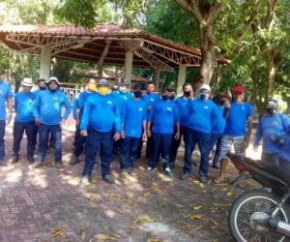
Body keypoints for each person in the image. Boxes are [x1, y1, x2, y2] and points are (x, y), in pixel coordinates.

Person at [80, 79, 121, 184]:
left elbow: (117, 116)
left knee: (107, 154)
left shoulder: (113, 100)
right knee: (91, 153)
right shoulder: (91, 98)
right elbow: (86, 113)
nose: (103, 87)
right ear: (98, 87)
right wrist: (83, 127)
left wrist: (118, 130)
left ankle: (106, 174)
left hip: (108, 132)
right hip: (94, 131)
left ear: (108, 87)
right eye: (101, 86)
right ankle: (86, 174)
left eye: (105, 86)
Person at [214, 84, 253, 183]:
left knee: (240, 158)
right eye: (236, 93)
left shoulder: (247, 106)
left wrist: (247, 138)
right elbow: (224, 118)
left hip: (241, 136)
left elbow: (250, 122)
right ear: (233, 94)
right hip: (227, 134)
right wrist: (227, 109)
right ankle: (221, 175)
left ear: (243, 94)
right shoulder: (228, 104)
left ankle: (241, 179)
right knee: (224, 155)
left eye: (240, 93)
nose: (237, 95)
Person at [181, 84, 218, 182]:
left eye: (206, 92)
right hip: (190, 131)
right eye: (202, 91)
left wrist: (211, 130)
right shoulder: (192, 102)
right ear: (199, 92)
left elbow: (215, 119)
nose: (204, 93)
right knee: (188, 151)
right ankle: (186, 171)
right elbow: (186, 113)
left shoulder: (212, 105)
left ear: (209, 94)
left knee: (204, 153)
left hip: (205, 132)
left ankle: (203, 174)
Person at [32, 76, 72, 169]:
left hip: (56, 125)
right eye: (51, 83)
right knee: (42, 143)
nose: (53, 85)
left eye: (55, 84)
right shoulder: (41, 94)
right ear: (48, 85)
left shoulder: (61, 95)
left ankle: (58, 161)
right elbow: (34, 106)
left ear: (57, 85)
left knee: (57, 144)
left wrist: (64, 118)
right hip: (43, 124)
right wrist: (36, 116)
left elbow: (69, 107)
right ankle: (39, 160)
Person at [147, 88, 180, 176]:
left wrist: (178, 131)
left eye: (168, 93)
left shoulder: (174, 105)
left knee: (166, 150)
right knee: (154, 149)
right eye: (165, 92)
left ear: (170, 94)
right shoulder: (156, 104)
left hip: (168, 132)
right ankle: (151, 165)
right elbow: (150, 117)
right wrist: (147, 129)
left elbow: (177, 120)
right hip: (155, 131)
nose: (167, 94)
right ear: (162, 93)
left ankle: (166, 167)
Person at [253, 99, 290, 170]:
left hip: (277, 153)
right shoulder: (263, 119)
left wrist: (277, 136)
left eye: (273, 105)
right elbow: (259, 133)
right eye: (269, 105)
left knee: (276, 174)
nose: (271, 107)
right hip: (265, 151)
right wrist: (255, 143)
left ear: (277, 106)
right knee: (264, 171)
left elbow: (288, 133)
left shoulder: (283, 118)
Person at [119, 83, 147, 177]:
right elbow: (122, 117)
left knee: (134, 151)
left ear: (142, 92)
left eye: (140, 89)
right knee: (124, 150)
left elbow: (144, 119)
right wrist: (121, 130)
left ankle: (131, 167)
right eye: (136, 89)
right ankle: (123, 168)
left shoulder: (143, 104)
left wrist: (145, 132)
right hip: (126, 132)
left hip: (138, 133)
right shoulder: (127, 102)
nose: (138, 91)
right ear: (133, 90)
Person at [70, 78, 96, 165]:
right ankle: (76, 155)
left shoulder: (97, 94)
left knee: (92, 140)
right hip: (83, 120)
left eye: (94, 83)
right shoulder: (82, 94)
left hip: (93, 122)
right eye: (91, 83)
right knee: (80, 139)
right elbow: (81, 105)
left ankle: (90, 157)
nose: (92, 85)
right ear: (87, 84)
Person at [12, 78, 36, 164]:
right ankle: (15, 155)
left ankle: (30, 155)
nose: (27, 87)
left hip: (31, 121)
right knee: (17, 139)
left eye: (28, 86)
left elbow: (36, 107)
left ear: (31, 87)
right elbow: (15, 106)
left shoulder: (34, 96)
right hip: (19, 121)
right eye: (25, 86)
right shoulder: (17, 95)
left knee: (31, 139)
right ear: (22, 86)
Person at [170, 83, 193, 168]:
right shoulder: (178, 100)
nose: (187, 90)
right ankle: (171, 161)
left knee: (189, 146)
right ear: (183, 90)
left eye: (189, 89)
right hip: (178, 125)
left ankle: (187, 164)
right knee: (175, 144)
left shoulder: (194, 101)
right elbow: (175, 113)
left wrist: (191, 97)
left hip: (189, 127)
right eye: (186, 89)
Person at [209, 92, 230, 168]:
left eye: (225, 98)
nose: (223, 99)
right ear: (219, 98)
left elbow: (225, 117)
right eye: (222, 97)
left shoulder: (226, 108)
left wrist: (227, 109)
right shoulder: (213, 106)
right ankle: (204, 161)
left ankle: (215, 163)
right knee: (209, 147)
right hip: (213, 131)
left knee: (219, 149)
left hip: (223, 132)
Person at [0, 78, 13, 166]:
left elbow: (9, 100)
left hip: (0, 117)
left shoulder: (5, 86)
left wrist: (10, 112)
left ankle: (0, 158)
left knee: (0, 139)